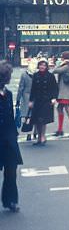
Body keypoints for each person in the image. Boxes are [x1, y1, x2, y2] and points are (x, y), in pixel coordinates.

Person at [0, 62, 22, 212]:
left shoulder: (8, 94)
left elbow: (10, 116)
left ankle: (10, 200)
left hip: (8, 139)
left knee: (11, 172)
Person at [28, 60, 58, 146]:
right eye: (41, 65)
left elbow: (55, 88)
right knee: (36, 120)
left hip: (46, 101)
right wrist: (30, 101)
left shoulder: (50, 76)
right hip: (37, 101)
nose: (42, 67)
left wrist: (54, 98)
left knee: (43, 120)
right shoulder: (35, 75)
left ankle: (42, 136)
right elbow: (33, 89)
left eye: (44, 65)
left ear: (46, 67)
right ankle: (38, 137)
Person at [15, 67, 32, 142]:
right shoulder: (37, 75)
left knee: (24, 115)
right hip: (34, 97)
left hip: (25, 96)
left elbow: (21, 88)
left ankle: (26, 131)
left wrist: (18, 99)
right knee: (32, 115)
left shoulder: (24, 75)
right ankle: (33, 133)